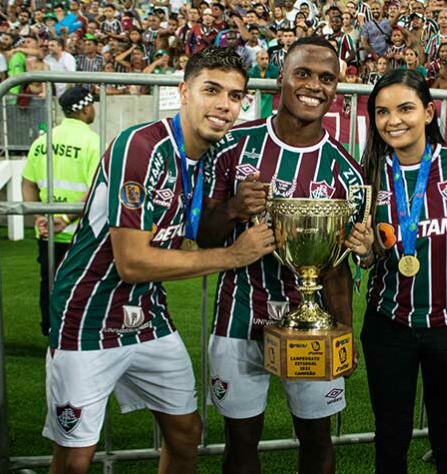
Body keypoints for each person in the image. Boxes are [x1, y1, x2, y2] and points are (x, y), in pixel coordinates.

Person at [44, 48, 275, 474]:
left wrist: (235, 213)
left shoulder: (206, 160)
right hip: (88, 316)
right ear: (183, 92)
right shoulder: (141, 145)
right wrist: (231, 256)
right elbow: (131, 262)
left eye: (236, 95)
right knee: (76, 457)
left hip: (148, 315)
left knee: (186, 433)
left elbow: (182, 241)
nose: (225, 104)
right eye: (212, 90)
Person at [196, 36, 364, 474]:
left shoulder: (344, 170)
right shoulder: (234, 145)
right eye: (303, 73)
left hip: (314, 326)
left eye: (326, 78)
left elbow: (338, 269)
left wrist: (345, 332)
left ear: (336, 89)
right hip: (238, 316)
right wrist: (233, 208)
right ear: (280, 79)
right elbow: (204, 234)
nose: (314, 86)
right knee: (241, 440)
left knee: (316, 438)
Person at [345, 68, 447, 474]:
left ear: (429, 112)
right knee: (391, 436)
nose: (394, 121)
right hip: (390, 325)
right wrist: (366, 253)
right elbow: (367, 257)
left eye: (405, 108)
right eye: (383, 112)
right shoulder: (367, 175)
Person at [22, 86, 101, 337]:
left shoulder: (42, 141)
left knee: (49, 281)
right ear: (86, 108)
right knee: (81, 283)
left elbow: (28, 183)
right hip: (78, 230)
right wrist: (65, 218)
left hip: (46, 230)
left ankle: (51, 328)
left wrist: (39, 217)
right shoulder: (92, 141)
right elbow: (95, 187)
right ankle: (75, 332)